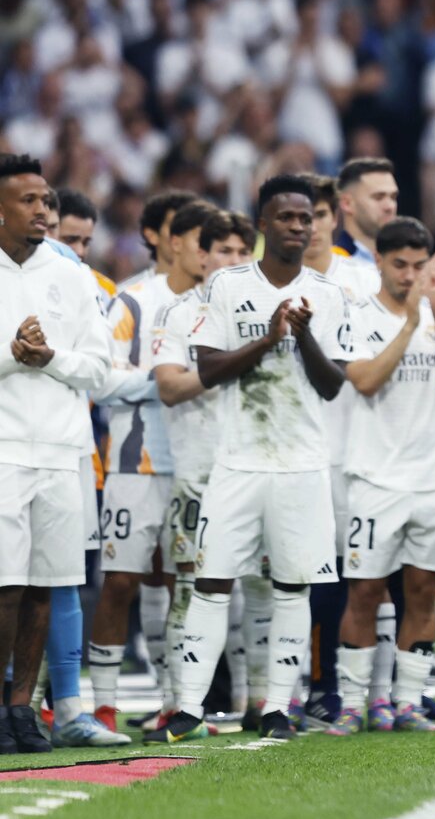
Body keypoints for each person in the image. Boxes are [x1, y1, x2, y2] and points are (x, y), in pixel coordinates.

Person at [148, 175, 355, 744]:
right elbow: (209, 369)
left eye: (306, 218)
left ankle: (277, 709)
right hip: (237, 461)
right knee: (212, 581)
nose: (299, 226)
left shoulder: (329, 293)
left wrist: (302, 336)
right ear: (264, 224)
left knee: (292, 587)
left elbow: (333, 384)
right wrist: (267, 339)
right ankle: (190, 709)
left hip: (302, 463)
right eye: (286, 217)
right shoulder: (226, 285)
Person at [328, 218, 435, 735]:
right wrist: (410, 323)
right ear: (380, 263)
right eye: (399, 264)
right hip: (375, 476)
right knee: (365, 591)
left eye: (418, 265)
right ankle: (353, 704)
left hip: (433, 476)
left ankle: (407, 703)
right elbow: (364, 380)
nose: (409, 275)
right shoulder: (357, 315)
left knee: (422, 589)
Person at [88, 201, 217, 732]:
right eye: (200, 242)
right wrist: (164, 380)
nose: (208, 254)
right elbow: (100, 381)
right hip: (134, 462)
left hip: (198, 465)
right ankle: (103, 706)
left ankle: (176, 702)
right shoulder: (132, 301)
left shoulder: (218, 304)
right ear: (172, 242)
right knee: (122, 582)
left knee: (186, 583)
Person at [0, 154, 111, 754]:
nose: (43, 210)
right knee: (4, 587)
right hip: (3, 450)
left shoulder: (73, 276)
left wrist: (49, 358)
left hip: (63, 451)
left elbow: (99, 368)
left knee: (45, 586)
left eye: (46, 200)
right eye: (29, 200)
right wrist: (13, 355)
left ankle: (22, 711)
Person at [153, 210, 258, 721]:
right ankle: (178, 705)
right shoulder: (177, 313)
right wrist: (231, 362)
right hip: (197, 474)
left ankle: (259, 700)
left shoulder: (266, 311)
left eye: (243, 252)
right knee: (190, 590)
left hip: (258, 468)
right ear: (202, 255)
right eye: (224, 251)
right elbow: (169, 386)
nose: (234, 260)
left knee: (261, 587)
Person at [299, 175, 382, 731]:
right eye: (300, 218)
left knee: (367, 573)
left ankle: (375, 691)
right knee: (312, 576)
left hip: (358, 448)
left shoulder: (365, 281)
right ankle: (317, 686)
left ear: (335, 218)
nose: (310, 228)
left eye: (319, 215)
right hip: (298, 449)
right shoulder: (268, 282)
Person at [333, 157, 400, 267]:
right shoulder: (333, 265)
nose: (390, 206)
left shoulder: (408, 263)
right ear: (347, 203)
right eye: (378, 197)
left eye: (393, 197)